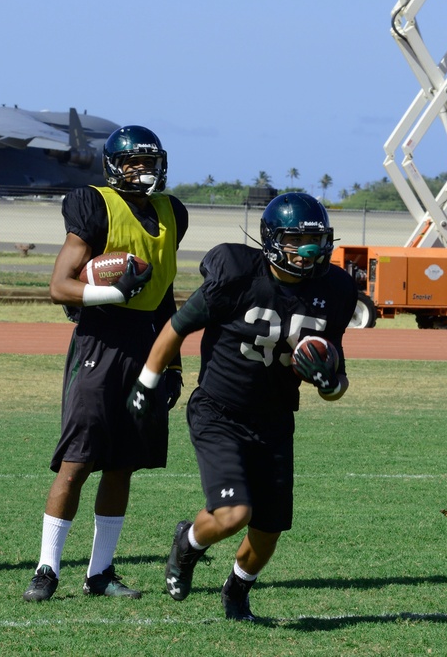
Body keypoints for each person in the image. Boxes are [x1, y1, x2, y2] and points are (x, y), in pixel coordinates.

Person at [126, 192, 356, 621]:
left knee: (268, 530)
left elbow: (336, 381)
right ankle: (188, 544)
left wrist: (329, 383)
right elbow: (177, 327)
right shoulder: (237, 273)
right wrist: (145, 382)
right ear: (270, 241)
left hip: (274, 419)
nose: (306, 253)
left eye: (315, 242)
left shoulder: (335, 289)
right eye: (294, 241)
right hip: (219, 410)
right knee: (234, 513)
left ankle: (236, 590)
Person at [22, 125, 189, 602]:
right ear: (114, 165)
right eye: (132, 162)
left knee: (124, 464)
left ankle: (100, 572)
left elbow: (163, 298)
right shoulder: (94, 204)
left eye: (149, 162)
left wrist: (171, 361)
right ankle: (47, 568)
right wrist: (110, 292)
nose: (142, 171)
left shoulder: (171, 211)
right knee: (77, 461)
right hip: (101, 339)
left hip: (148, 344)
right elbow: (60, 286)